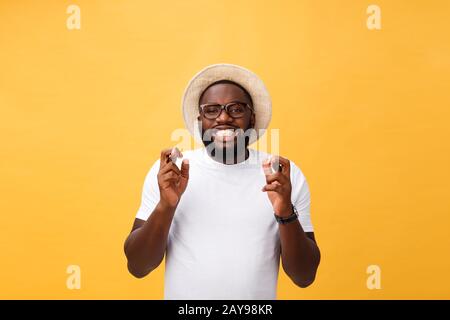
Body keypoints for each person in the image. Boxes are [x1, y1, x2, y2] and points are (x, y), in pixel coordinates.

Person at [124, 64, 321, 299]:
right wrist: (166, 206)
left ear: (252, 119)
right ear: (200, 120)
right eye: (212, 110)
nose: (224, 117)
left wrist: (285, 211)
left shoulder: (282, 176)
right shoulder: (171, 173)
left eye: (236, 109)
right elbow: (138, 266)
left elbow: (304, 276)